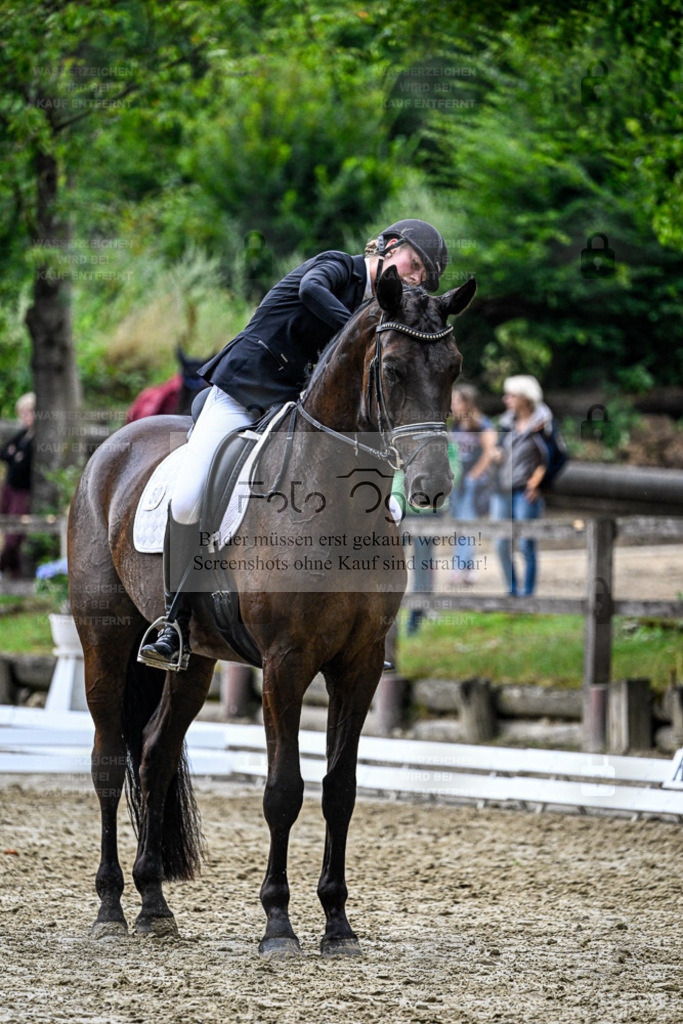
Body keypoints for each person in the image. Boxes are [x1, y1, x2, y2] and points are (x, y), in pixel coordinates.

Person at [139, 220, 450, 669]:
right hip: (243, 391)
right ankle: (173, 621)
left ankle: (361, 630)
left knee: (375, 501)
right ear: (385, 247)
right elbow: (310, 291)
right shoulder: (337, 269)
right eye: (415, 263)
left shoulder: (382, 318)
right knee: (187, 499)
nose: (417, 276)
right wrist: (357, 331)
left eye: (424, 275)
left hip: (294, 407)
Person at [489, 375, 552, 597]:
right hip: (502, 490)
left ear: (525, 398)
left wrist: (541, 483)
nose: (506, 399)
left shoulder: (544, 424)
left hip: (526, 491)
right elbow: (498, 447)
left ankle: (528, 594)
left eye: (511, 395)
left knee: (526, 543)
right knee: (500, 542)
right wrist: (496, 453)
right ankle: (512, 589)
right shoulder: (506, 422)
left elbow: (556, 457)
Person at [448, 384, 497, 585]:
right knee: (461, 526)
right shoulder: (456, 425)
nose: (452, 405)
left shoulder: (483, 425)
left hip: (473, 484)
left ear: (468, 403)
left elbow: (490, 452)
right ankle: (469, 569)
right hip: (456, 482)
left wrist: (473, 476)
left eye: (456, 401)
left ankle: (458, 569)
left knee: (466, 526)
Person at [0, 392, 35, 580]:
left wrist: (15, 456)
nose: (25, 417)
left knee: (15, 534)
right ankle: (14, 575)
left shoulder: (36, 438)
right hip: (10, 488)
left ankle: (2, 566)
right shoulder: (23, 434)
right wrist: (14, 455)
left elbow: (23, 465)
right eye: (22, 413)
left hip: (23, 492)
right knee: (6, 528)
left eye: (28, 412)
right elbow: (4, 452)